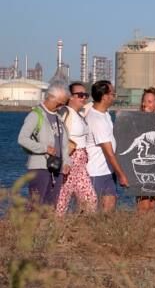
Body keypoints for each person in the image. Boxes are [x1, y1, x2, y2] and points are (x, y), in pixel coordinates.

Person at [18, 83, 71, 209]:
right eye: (59, 103)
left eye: (64, 104)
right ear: (50, 97)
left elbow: (63, 144)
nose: (61, 106)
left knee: (50, 207)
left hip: (56, 168)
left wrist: (67, 162)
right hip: (39, 167)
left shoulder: (58, 117)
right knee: (35, 205)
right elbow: (22, 139)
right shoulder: (35, 115)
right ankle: (29, 228)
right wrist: (44, 148)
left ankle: (47, 229)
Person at [55, 82, 98, 216]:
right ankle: (56, 231)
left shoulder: (79, 114)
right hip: (70, 160)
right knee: (61, 201)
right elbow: (56, 134)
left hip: (80, 164)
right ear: (70, 97)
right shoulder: (65, 111)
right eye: (80, 95)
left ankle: (79, 229)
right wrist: (64, 160)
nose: (84, 98)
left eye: (86, 95)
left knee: (90, 199)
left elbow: (92, 107)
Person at [86, 80, 129, 212]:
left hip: (108, 172)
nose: (114, 96)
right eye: (112, 93)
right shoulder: (96, 119)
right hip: (96, 173)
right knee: (93, 211)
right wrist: (121, 175)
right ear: (105, 97)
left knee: (109, 209)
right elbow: (109, 152)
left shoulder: (105, 114)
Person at [135, 87, 155, 213]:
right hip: (142, 167)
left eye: (150, 102)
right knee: (143, 205)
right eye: (144, 101)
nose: (145, 105)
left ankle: (151, 230)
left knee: (153, 205)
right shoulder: (136, 119)